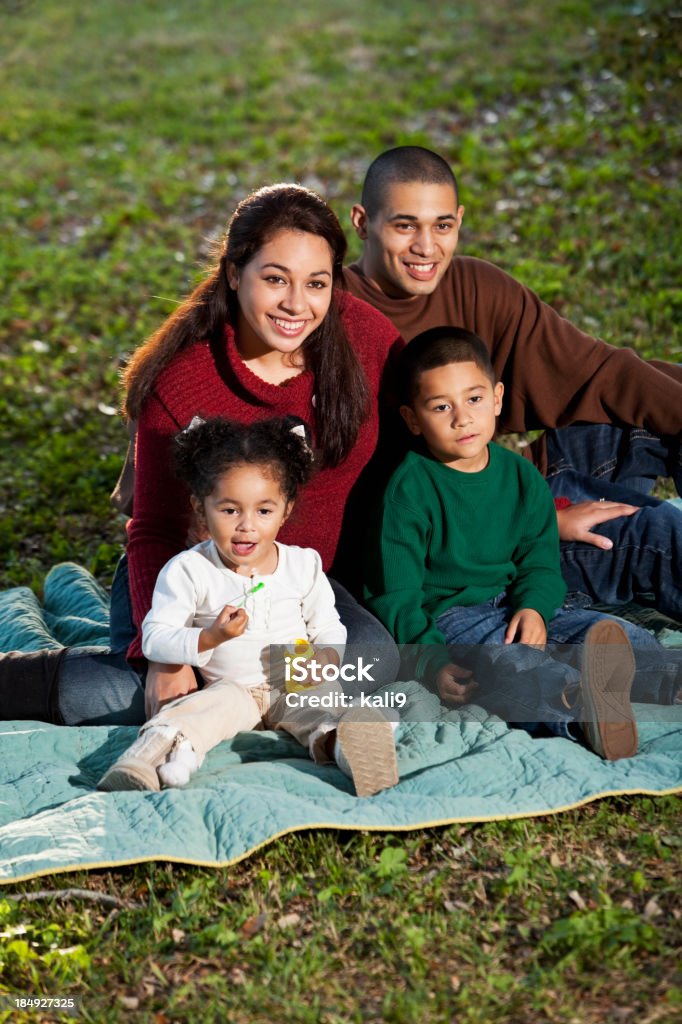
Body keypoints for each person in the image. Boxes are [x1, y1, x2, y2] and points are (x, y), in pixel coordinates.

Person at [0, 184, 403, 728]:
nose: (296, 304)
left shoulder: (367, 338)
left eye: (317, 283)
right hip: (193, 583)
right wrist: (163, 655)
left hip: (295, 584)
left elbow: (429, 430)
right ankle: (21, 680)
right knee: (143, 694)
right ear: (235, 272)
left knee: (372, 659)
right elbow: (154, 530)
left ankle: (247, 704)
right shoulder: (183, 379)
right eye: (274, 278)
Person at [343, 146, 682, 621]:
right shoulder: (332, 312)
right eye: (405, 226)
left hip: (508, 483)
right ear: (362, 222)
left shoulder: (476, 286)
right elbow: (385, 512)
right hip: (463, 551)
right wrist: (546, 522)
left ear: (459, 219)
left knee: (655, 415)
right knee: (662, 534)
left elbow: (598, 371)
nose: (427, 246)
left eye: (442, 225)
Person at [363, 327, 681, 759]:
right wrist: (431, 662)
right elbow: (397, 597)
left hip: (517, 602)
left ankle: (670, 680)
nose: (462, 418)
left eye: (474, 400)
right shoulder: (408, 493)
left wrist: (533, 606)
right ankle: (581, 711)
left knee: (610, 634)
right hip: (452, 620)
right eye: (441, 407)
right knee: (510, 666)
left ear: (496, 398)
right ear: (413, 419)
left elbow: (540, 562)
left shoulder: (521, 478)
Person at [98, 416, 399, 797]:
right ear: (200, 508)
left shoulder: (302, 564)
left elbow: (328, 624)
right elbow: (156, 637)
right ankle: (148, 759)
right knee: (196, 713)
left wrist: (327, 655)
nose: (246, 526)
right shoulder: (190, 569)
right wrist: (209, 637)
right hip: (231, 687)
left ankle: (352, 747)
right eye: (229, 510)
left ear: (286, 510)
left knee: (323, 708)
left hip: (294, 677)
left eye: (263, 510)